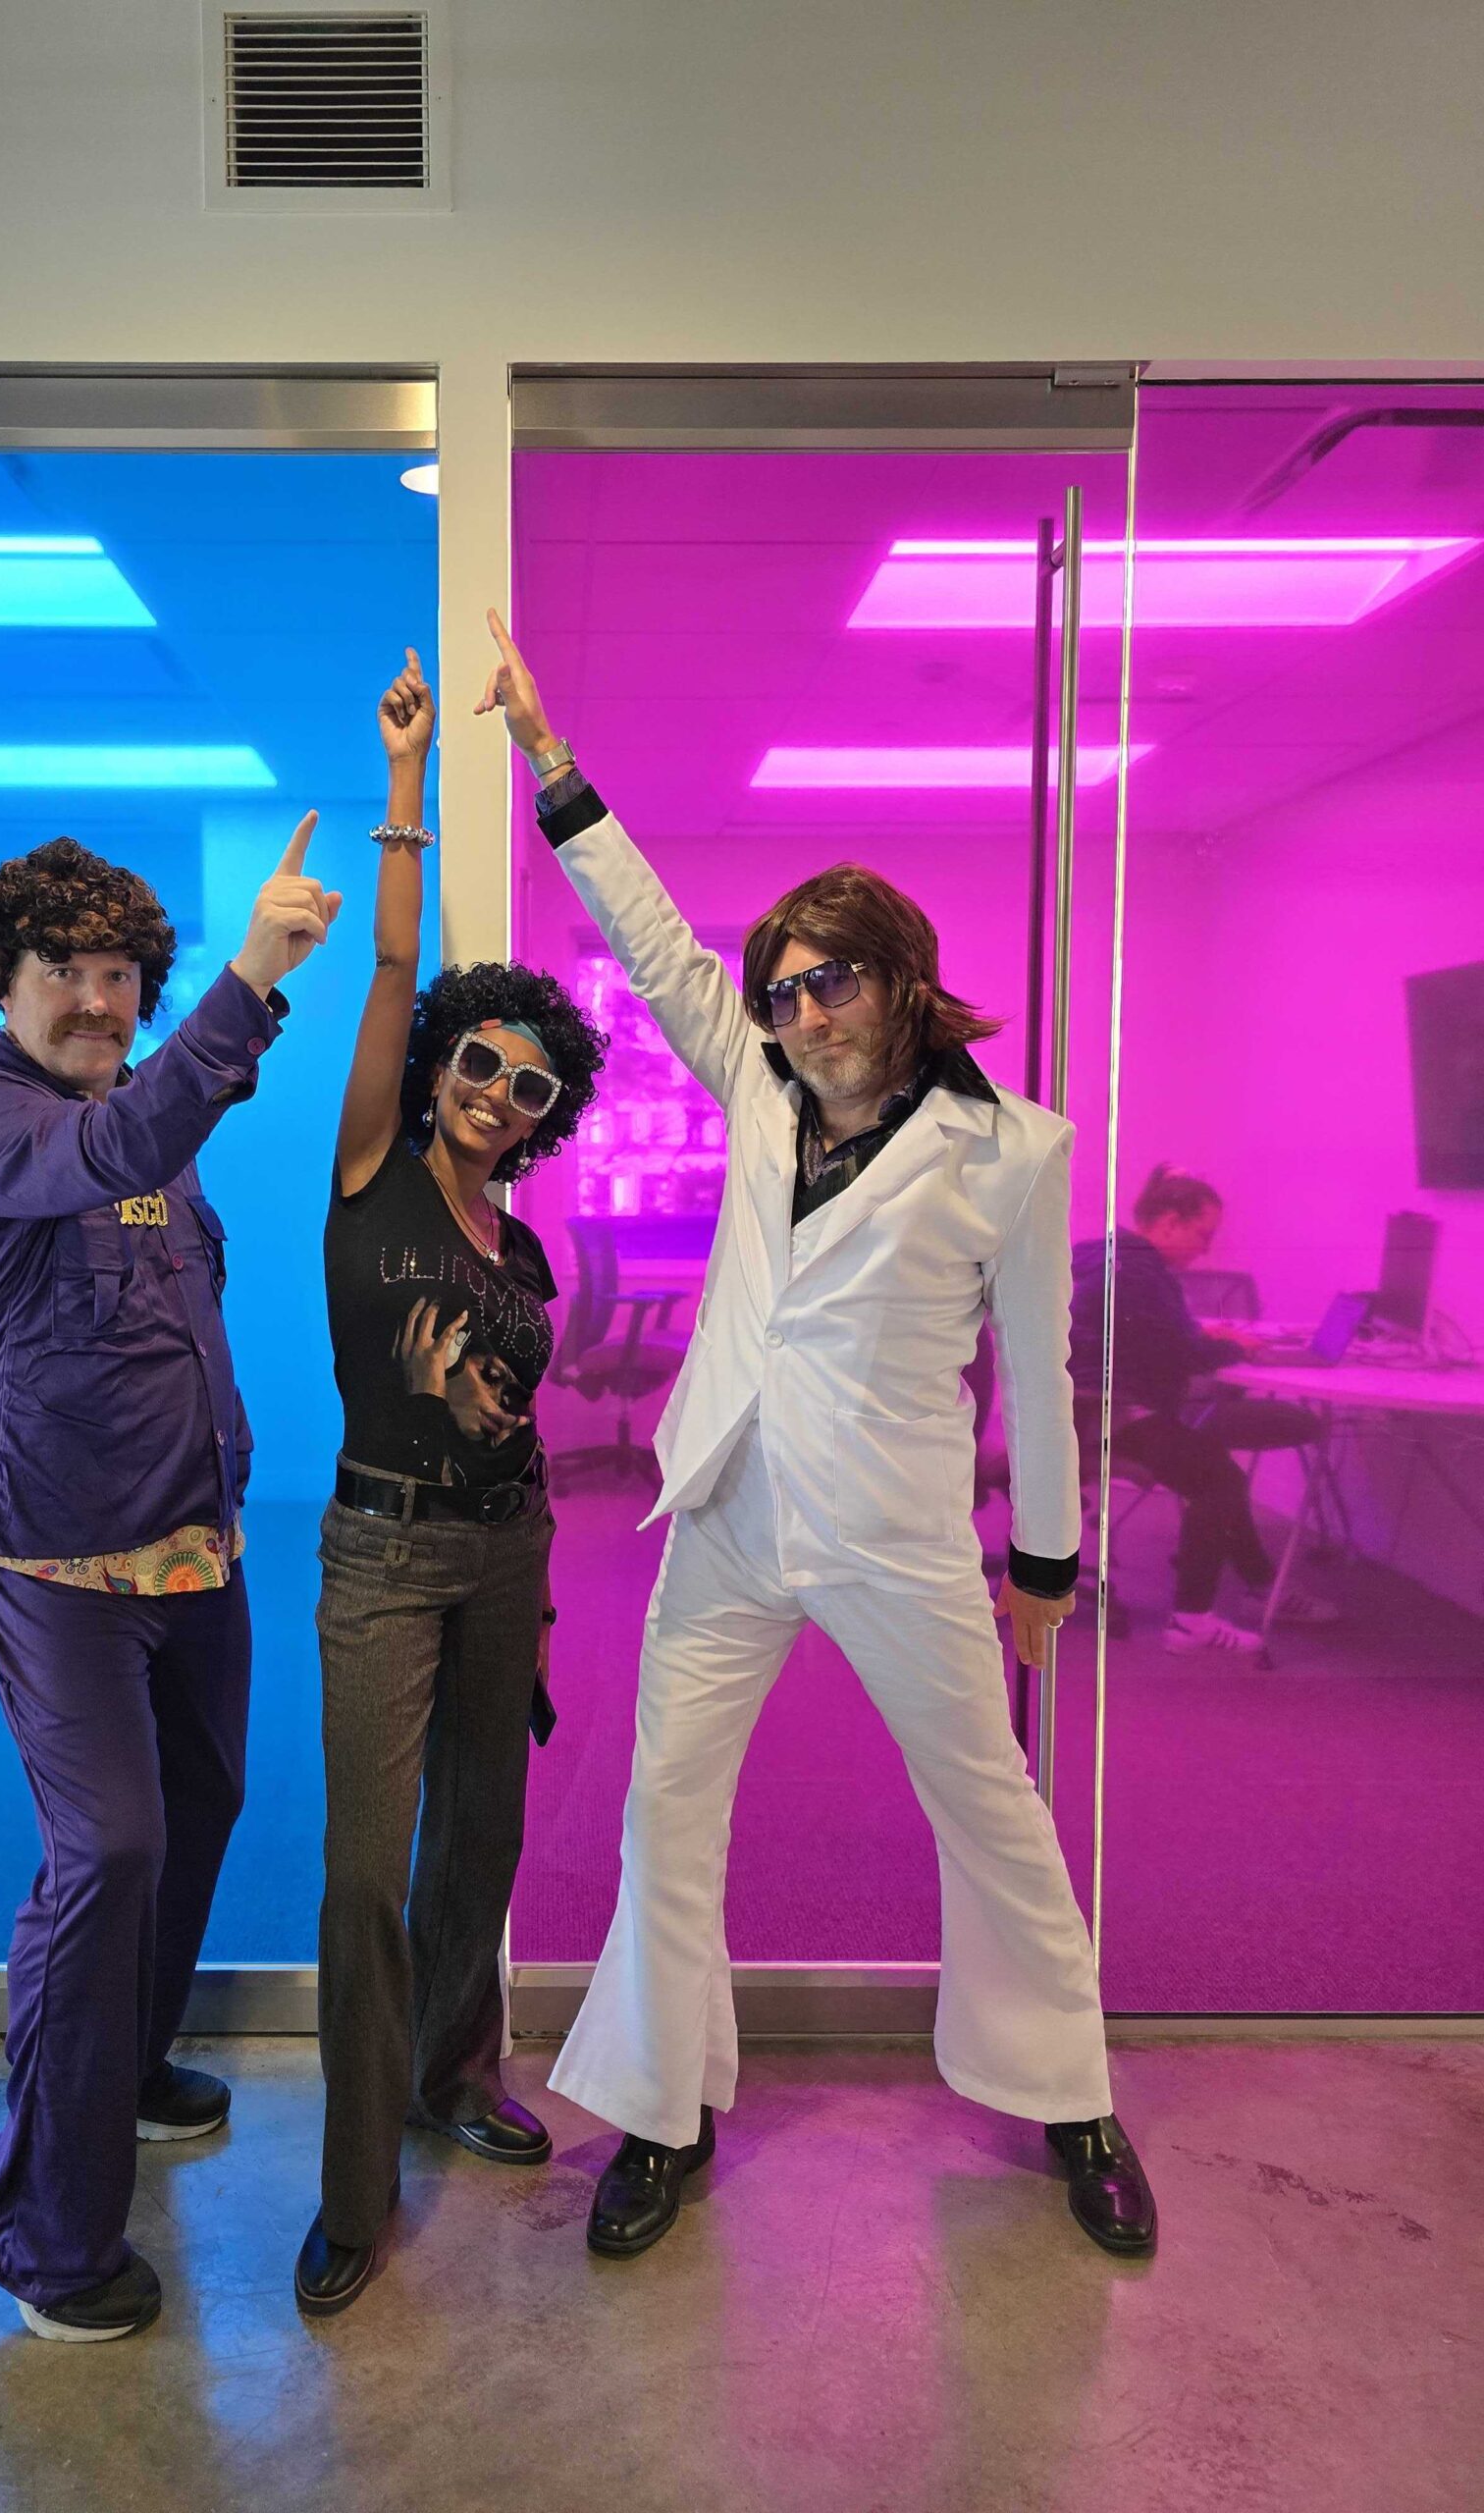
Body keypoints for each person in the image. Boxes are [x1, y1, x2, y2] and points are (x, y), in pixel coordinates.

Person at [476, 609, 1156, 2263]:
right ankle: (664, 2112)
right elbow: (657, 951)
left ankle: (1073, 2101)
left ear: (901, 980)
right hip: (726, 1508)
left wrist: (1045, 1560)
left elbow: (1040, 1371)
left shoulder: (1014, 1149)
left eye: (827, 981)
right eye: (780, 990)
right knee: (665, 1811)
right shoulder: (760, 1090)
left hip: (896, 1532)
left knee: (989, 1806)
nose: (796, 1013)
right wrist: (552, 762)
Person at [0, 822, 336, 2342]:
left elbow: (159, 1163)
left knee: (198, 1813)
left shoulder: (143, 1118)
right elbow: (122, 1146)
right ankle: (42, 2227)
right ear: (0, 979)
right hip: (56, 1563)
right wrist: (253, 976)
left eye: (119, 976)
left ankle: (131, 2066)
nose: (98, 1000)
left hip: (193, 1550)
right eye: (64, 971)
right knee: (105, 1856)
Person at [294, 650, 608, 2318]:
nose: (495, 1095)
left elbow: (522, 1433)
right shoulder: (373, 1174)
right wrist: (408, 786)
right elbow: (393, 963)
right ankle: (355, 2192)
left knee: (482, 1837)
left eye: (528, 1085)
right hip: (383, 1552)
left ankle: (451, 2074)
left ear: (548, 1118)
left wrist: (538, 1607)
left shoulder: (527, 1248)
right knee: (367, 1870)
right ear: (436, 1070)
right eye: (478, 1065)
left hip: (507, 1557)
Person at [1073, 1163, 1333, 1654]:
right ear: (1170, 1222)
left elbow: (1155, 1337)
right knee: (1218, 1478)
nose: (1206, 1248)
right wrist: (1238, 1347)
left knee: (1213, 1464)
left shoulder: (1101, 1253)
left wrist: (1205, 1336)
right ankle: (1191, 1622)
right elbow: (1185, 1355)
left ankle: (1260, 1585)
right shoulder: (1142, 1274)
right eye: (1203, 1234)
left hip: (1079, 1410)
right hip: (1111, 1413)